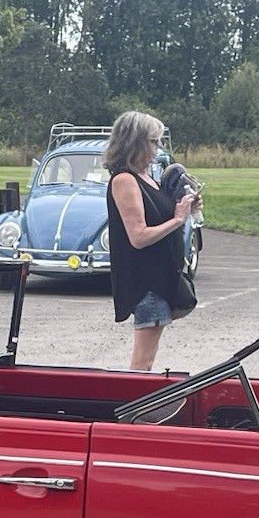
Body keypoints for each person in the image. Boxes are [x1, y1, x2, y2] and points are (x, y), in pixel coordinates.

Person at [104, 111, 196, 371]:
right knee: (142, 363)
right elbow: (139, 236)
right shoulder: (125, 180)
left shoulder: (147, 178)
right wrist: (178, 219)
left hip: (162, 280)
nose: (157, 148)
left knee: (147, 360)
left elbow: (161, 216)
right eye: (153, 141)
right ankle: (134, 411)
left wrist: (184, 207)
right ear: (136, 142)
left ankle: (136, 409)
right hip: (148, 285)